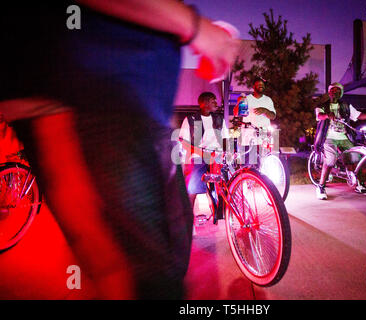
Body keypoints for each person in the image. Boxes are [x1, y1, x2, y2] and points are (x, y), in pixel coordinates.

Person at [0, 1, 239, 299]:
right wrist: (193, 26)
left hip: (129, 106)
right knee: (146, 279)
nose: (214, 105)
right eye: (211, 103)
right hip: (92, 96)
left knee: (162, 263)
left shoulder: (214, 121)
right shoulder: (190, 118)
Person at [314, 83, 366, 200]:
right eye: (333, 90)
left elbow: (359, 115)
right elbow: (319, 115)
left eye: (338, 90)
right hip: (328, 137)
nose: (335, 92)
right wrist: (327, 115)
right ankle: (321, 186)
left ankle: (360, 185)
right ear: (329, 92)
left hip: (344, 137)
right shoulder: (322, 106)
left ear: (341, 93)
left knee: (355, 159)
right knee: (330, 161)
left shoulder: (345, 105)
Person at [179, 92, 229, 209]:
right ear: (204, 104)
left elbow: (225, 139)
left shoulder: (219, 119)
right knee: (192, 188)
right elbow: (184, 142)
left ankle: (222, 211)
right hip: (198, 156)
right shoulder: (191, 120)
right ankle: (189, 219)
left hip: (216, 156)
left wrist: (225, 153)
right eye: (213, 101)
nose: (217, 104)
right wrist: (202, 153)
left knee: (225, 185)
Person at [233, 78, 276, 163]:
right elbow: (235, 113)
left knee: (264, 162)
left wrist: (265, 110)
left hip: (263, 136)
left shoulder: (268, 100)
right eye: (259, 85)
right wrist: (239, 102)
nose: (261, 86)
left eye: (263, 85)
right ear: (254, 87)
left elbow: (273, 116)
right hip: (248, 136)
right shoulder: (247, 98)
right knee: (248, 163)